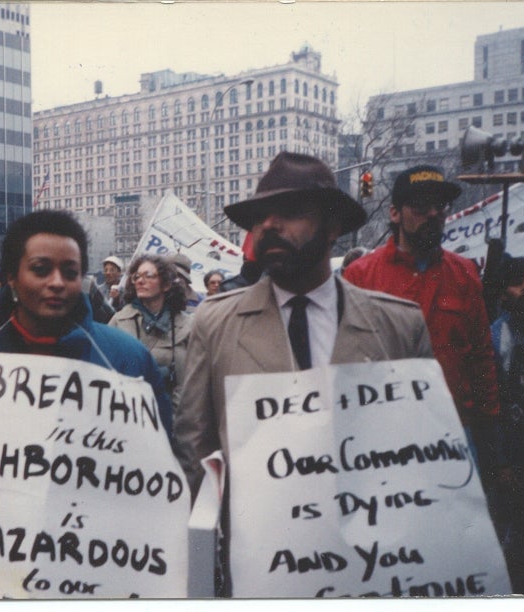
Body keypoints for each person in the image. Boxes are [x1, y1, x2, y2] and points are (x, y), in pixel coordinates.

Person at [175, 151, 432, 532]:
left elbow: (423, 453)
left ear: (333, 226)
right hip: (261, 555)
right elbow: (195, 450)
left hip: (374, 551)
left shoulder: (399, 325)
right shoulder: (214, 324)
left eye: (291, 211)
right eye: (259, 217)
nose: (269, 225)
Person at [0, 210, 174, 440]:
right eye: (41, 270)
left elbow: (158, 457)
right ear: (11, 276)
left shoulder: (127, 358)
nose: (57, 282)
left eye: (70, 272)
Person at [343, 164, 501, 478]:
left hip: (455, 430)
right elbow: (345, 364)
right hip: (383, 435)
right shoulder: (360, 275)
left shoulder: (464, 274)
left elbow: (482, 357)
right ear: (395, 213)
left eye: (440, 206)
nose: (432, 214)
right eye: (420, 206)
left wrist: (491, 435)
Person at [489, 257, 524, 594]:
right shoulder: (497, 336)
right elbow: (493, 404)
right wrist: (501, 460)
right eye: (518, 283)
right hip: (516, 458)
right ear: (503, 292)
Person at [108, 254, 191, 421]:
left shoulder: (187, 326)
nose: (140, 281)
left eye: (149, 276)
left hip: (178, 424)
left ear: (166, 284)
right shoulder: (119, 322)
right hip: (129, 420)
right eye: (136, 276)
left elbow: (196, 383)